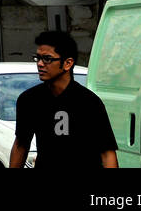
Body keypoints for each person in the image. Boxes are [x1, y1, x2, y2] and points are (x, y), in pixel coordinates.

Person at [10, 30, 118, 169]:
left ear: (68, 63)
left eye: (47, 59)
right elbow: (21, 145)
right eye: (38, 58)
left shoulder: (89, 102)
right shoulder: (29, 100)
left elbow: (107, 153)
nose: (40, 64)